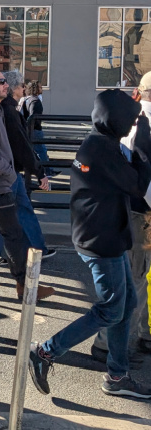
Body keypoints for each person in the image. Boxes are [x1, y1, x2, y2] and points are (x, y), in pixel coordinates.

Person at [30, 89, 151, 399]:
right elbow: (138, 185)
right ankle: (46, 351)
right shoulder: (101, 149)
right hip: (101, 240)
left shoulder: (99, 142)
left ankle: (117, 375)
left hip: (105, 235)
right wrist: (143, 142)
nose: (134, 123)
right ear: (116, 120)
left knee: (126, 307)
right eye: (131, 118)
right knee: (111, 310)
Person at [0, 70, 55, 300]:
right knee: (15, 235)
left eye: (6, 82)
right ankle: (25, 286)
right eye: (0, 82)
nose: (7, 85)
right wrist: (9, 174)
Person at [92, 72, 151, 363]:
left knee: (136, 276)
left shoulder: (129, 119)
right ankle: (112, 343)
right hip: (144, 209)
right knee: (136, 279)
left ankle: (138, 333)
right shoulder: (143, 123)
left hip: (133, 207)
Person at [0, 70, 54, 260]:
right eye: (21, 85)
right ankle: (34, 249)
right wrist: (39, 170)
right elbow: (21, 145)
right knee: (18, 209)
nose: (23, 89)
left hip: (1, 169)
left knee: (1, 212)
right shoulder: (9, 111)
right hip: (8, 170)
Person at [20, 80, 53, 174]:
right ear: (35, 89)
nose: (41, 89)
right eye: (40, 87)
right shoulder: (35, 101)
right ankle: (46, 171)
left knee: (35, 150)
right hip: (35, 130)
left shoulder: (26, 99)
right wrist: (35, 124)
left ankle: (40, 170)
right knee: (41, 150)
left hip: (30, 129)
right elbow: (33, 116)